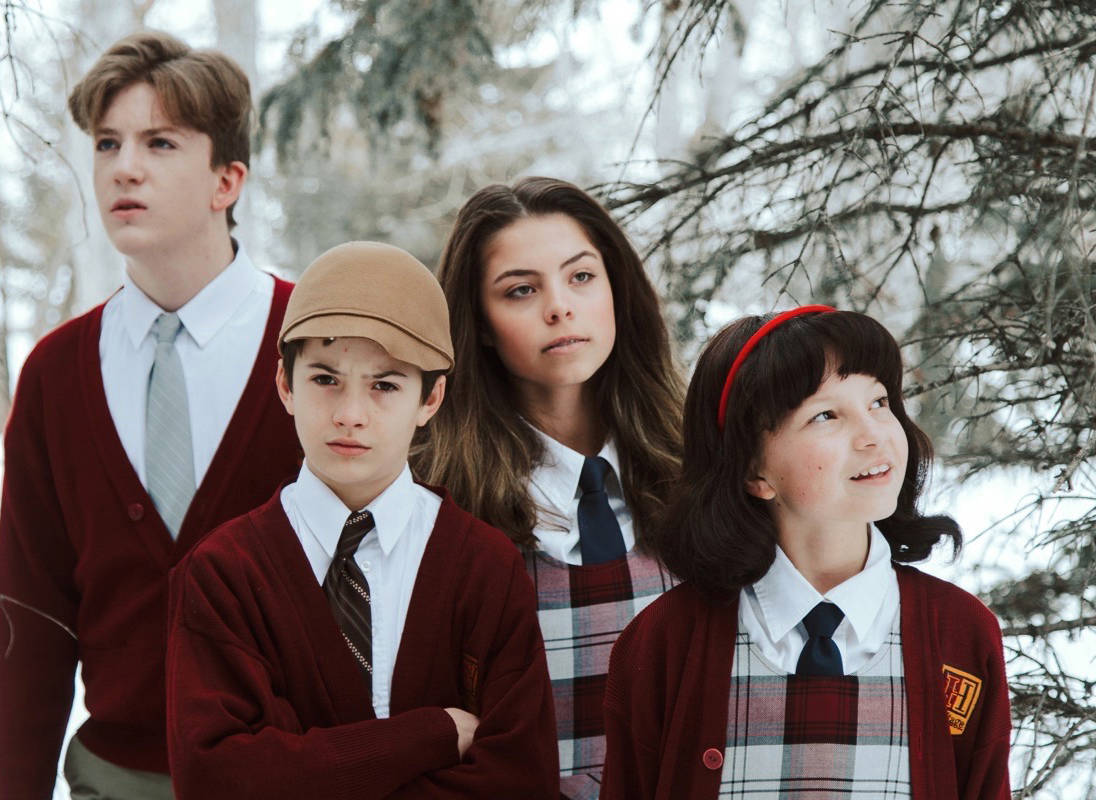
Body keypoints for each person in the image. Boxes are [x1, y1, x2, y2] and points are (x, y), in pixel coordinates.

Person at [0, 31, 300, 798]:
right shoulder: (55, 374)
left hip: (296, 771)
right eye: (107, 143)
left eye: (159, 142)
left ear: (226, 180)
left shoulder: (317, 345)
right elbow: (31, 617)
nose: (123, 167)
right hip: (114, 779)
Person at [166, 241, 558, 799]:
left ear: (430, 399)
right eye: (325, 379)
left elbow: (521, 780)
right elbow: (218, 779)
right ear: (285, 385)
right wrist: (433, 733)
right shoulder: (223, 574)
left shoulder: (485, 568)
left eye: (385, 385)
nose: (350, 414)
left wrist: (304, 770)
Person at [600, 306, 1012, 800]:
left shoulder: (961, 634)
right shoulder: (664, 641)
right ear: (755, 471)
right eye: (826, 415)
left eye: (879, 402)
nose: (873, 433)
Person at [412, 176, 684, 798]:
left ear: (617, 290)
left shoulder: (699, 466)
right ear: (479, 324)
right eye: (521, 290)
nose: (559, 306)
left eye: (581, 277)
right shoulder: (436, 503)